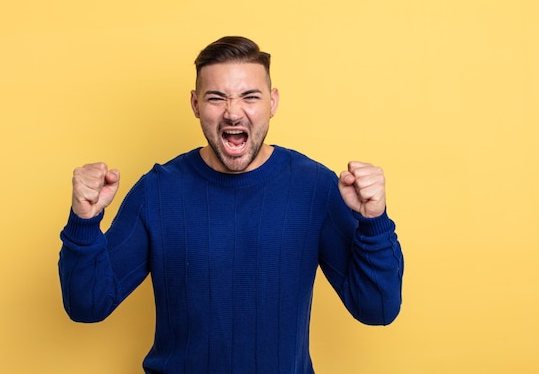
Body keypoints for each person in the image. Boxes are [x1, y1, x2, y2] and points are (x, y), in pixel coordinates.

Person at [59, 36, 404, 374]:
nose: (233, 112)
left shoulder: (315, 187)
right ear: (195, 104)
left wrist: (374, 224)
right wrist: (84, 223)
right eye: (216, 98)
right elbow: (87, 306)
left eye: (249, 97)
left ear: (272, 102)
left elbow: (377, 308)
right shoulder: (158, 191)